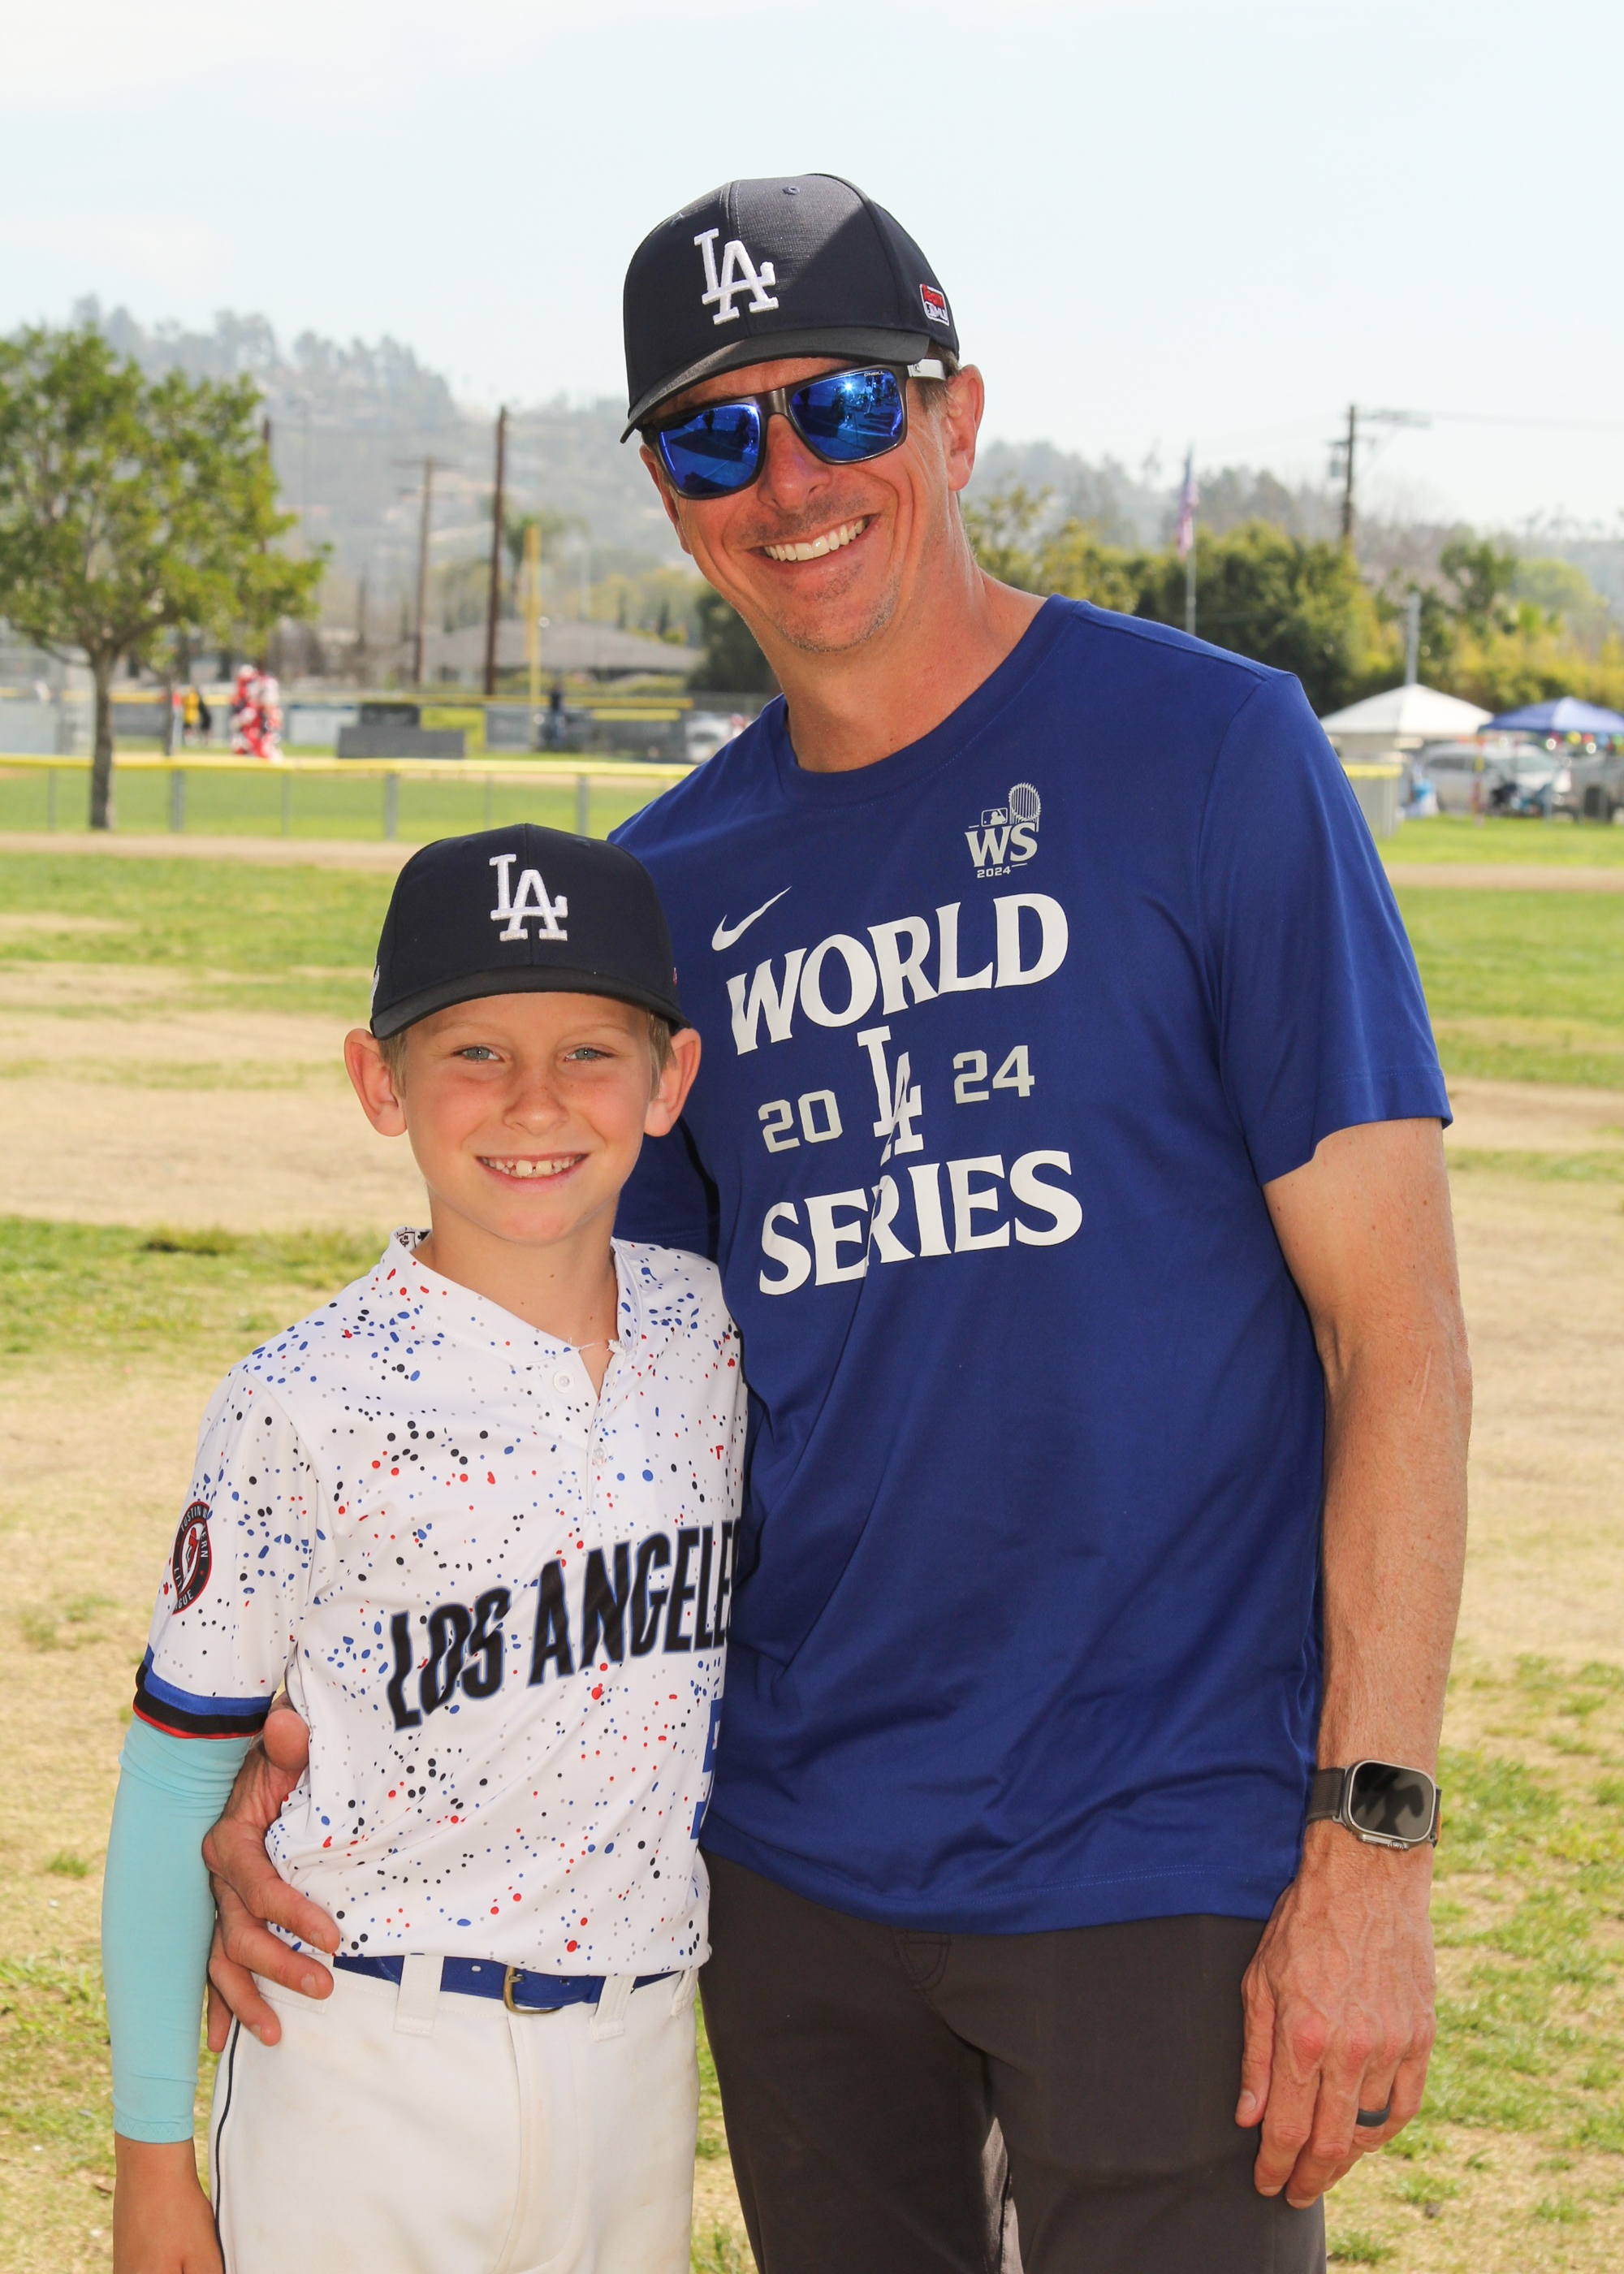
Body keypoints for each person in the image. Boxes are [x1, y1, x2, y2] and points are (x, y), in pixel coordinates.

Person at [202, 177, 1470, 2274]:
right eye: (716, 434)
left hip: (1154, 1851)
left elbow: (1395, 1339)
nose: (788, 478)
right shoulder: (668, 894)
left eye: (844, 405)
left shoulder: (1211, 753)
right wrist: (297, 1765)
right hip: (792, 1864)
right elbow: (584, 1396)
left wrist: (1375, 1843)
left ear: (956, 415)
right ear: (669, 494)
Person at [102, 824, 746, 2274]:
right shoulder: (302, 1398)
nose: (535, 1101)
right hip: (359, 2046)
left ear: (671, 1081)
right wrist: (152, 2157)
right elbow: (179, 1778)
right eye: (475, 1052)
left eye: (591, 1052)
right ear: (378, 1080)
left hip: (638, 2054)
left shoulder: (717, 1334)